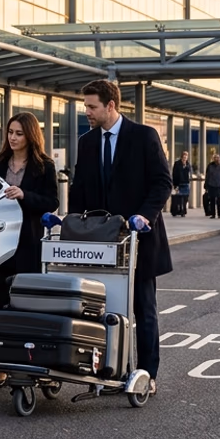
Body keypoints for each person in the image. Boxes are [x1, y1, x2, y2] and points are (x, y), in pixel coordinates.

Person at [68, 80, 172, 396]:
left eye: (92, 106)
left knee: (143, 308)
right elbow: (79, 190)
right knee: (103, 308)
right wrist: (72, 226)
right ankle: (109, 370)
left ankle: (147, 375)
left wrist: (145, 215)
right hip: (100, 244)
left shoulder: (143, 137)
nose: (86, 111)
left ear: (111, 106)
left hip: (138, 241)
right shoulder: (87, 143)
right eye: (85, 106)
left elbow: (162, 182)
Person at [0, 113, 59, 388]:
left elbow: (51, 202)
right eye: (10, 132)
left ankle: (34, 364)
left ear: (30, 136)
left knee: (29, 306)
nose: (12, 138)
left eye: (18, 133)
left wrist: (25, 195)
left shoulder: (44, 166)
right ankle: (2, 367)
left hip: (28, 243)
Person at [204, 153, 220, 219]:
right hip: (211, 185)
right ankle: (213, 214)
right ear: (213, 159)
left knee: (219, 200)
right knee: (212, 200)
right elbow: (207, 176)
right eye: (215, 158)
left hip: (219, 185)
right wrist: (206, 185)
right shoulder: (210, 166)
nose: (216, 159)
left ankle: (219, 213)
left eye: (218, 158)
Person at [170, 150, 192, 217]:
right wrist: (175, 184)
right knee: (179, 198)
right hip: (179, 183)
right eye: (184, 156)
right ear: (182, 156)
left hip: (186, 183)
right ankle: (179, 210)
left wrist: (185, 166)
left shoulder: (188, 164)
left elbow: (190, 172)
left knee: (185, 198)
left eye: (186, 156)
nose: (185, 157)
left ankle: (184, 210)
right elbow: (174, 174)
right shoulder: (177, 164)